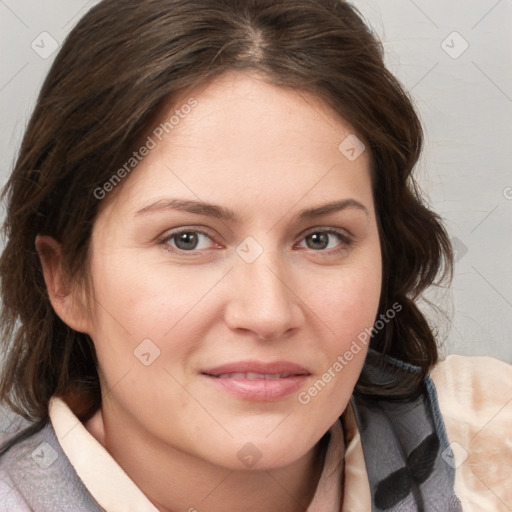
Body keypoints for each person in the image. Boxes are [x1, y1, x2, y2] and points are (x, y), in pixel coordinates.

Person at [0, 0, 510, 510]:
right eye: (188, 239)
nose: (267, 313)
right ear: (66, 279)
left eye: (321, 238)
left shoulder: (491, 451)